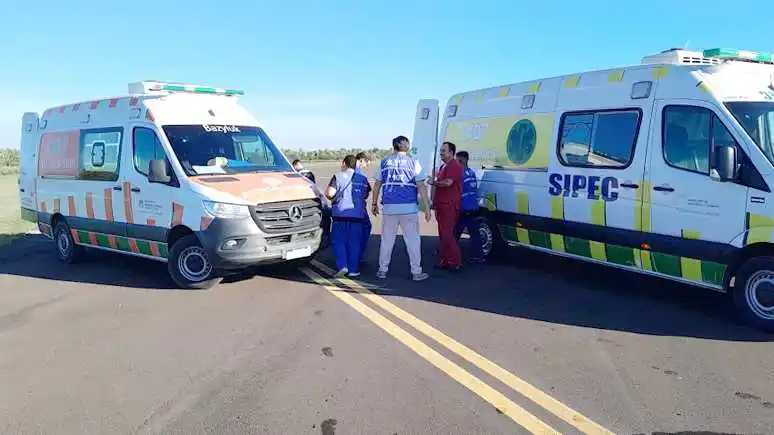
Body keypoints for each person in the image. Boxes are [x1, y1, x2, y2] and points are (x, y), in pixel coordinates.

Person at [371, 136, 431, 281]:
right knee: (413, 241)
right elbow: (421, 186)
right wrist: (427, 207)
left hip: (389, 208)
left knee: (387, 240)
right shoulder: (413, 162)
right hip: (409, 208)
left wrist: (374, 203)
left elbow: (377, 185)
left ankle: (382, 270)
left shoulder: (385, 162)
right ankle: (416, 272)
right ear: (405, 146)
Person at [325, 155, 370, 278]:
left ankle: (342, 265)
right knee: (355, 243)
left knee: (338, 241)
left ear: (344, 163)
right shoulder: (363, 179)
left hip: (340, 215)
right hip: (357, 216)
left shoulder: (338, 176)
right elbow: (366, 194)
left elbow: (330, 193)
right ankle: (354, 270)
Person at [427, 141, 463, 271]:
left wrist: (434, 182)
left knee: (447, 234)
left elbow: (448, 183)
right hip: (441, 205)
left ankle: (456, 261)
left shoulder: (454, 165)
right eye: (441, 150)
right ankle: (445, 261)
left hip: (449, 205)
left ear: (451, 152)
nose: (441, 153)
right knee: (442, 234)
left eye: (443, 151)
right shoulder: (444, 166)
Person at [453, 151, 483, 263]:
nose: (456, 163)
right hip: (473, 206)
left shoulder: (460, 174)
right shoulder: (471, 172)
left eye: (458, 161)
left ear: (463, 160)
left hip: (464, 207)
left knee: (455, 232)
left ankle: (450, 254)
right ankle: (479, 256)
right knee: (475, 233)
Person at [355, 152, 372, 264]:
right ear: (361, 160)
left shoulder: (349, 170)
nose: (366, 166)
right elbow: (366, 192)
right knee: (365, 227)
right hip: (358, 206)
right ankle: (357, 254)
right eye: (366, 164)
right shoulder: (359, 174)